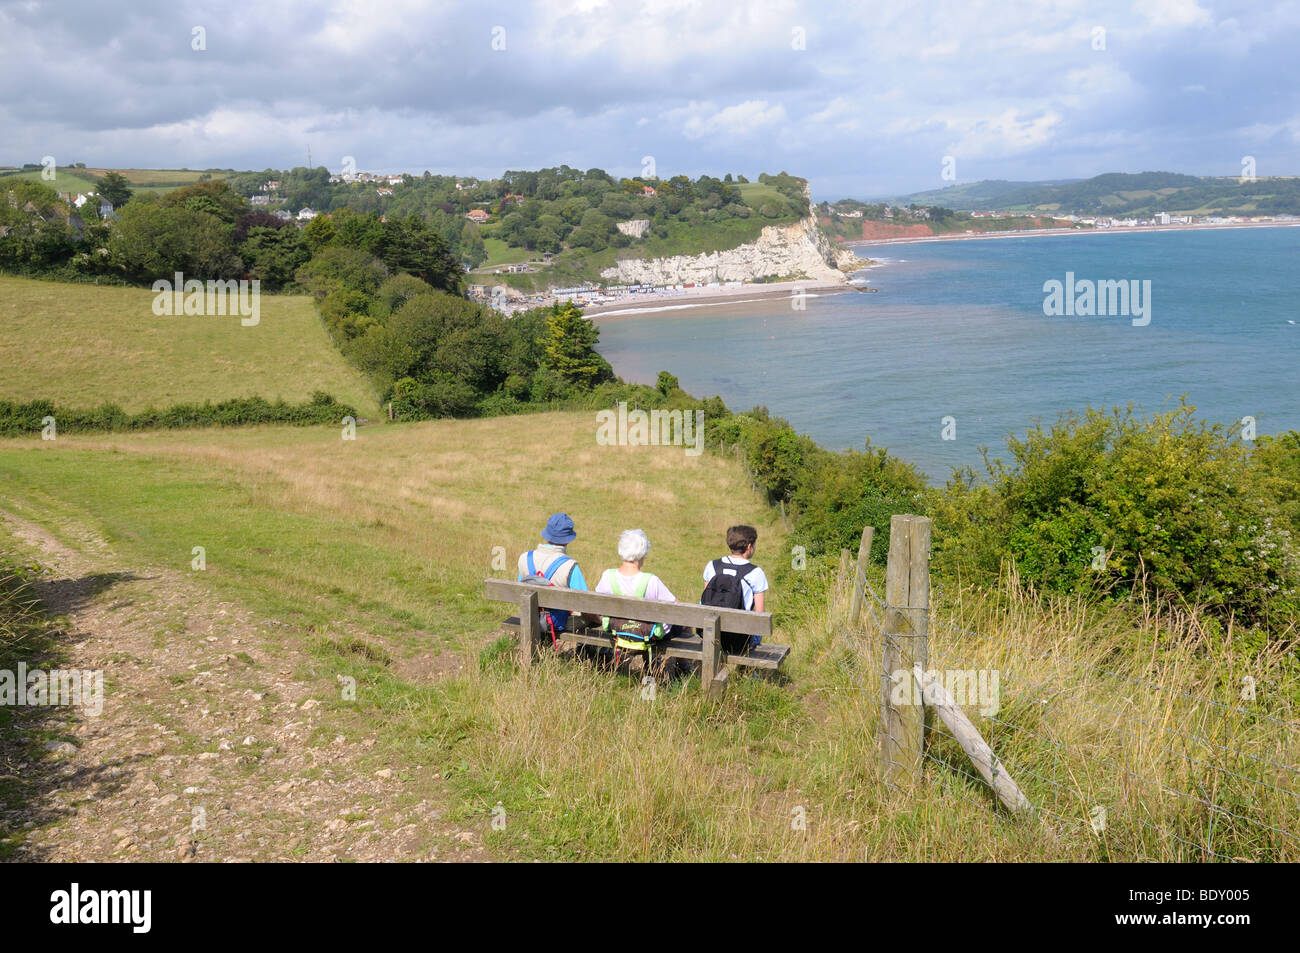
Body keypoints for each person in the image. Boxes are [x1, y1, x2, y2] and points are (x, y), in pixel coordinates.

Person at [701, 524, 769, 652]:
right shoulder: (756, 572)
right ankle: (746, 670)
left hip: (709, 633)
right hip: (740, 639)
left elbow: (706, 601)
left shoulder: (712, 566)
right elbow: (760, 615)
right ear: (749, 547)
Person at [517, 513, 587, 632]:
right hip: (554, 623)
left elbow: (520, 587)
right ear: (568, 540)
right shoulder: (570, 566)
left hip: (528, 616)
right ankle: (585, 649)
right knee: (588, 619)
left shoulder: (524, 558)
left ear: (546, 535)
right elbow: (585, 603)